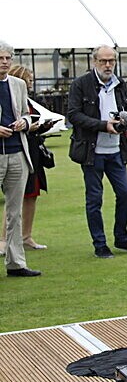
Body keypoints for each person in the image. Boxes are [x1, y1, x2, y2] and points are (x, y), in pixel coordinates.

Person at [67, 45, 127, 259]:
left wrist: (126, 118)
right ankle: (100, 244)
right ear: (94, 62)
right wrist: (103, 125)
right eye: (103, 61)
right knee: (94, 199)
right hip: (92, 151)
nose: (108, 65)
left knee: (126, 193)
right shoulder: (80, 84)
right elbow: (73, 115)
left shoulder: (120, 84)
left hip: (116, 150)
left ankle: (121, 237)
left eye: (111, 61)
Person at [0, 43, 40, 276]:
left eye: (8, 58)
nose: (5, 62)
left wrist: (24, 122)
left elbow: (26, 113)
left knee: (14, 212)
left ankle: (16, 263)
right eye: (0, 58)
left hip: (17, 153)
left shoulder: (18, 84)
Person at [10, 64, 50, 251]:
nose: (32, 84)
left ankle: (26, 236)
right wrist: (28, 127)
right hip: (19, 152)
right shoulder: (12, 99)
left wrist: (41, 127)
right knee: (14, 199)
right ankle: (5, 240)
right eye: (29, 80)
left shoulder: (28, 100)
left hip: (34, 153)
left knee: (32, 195)